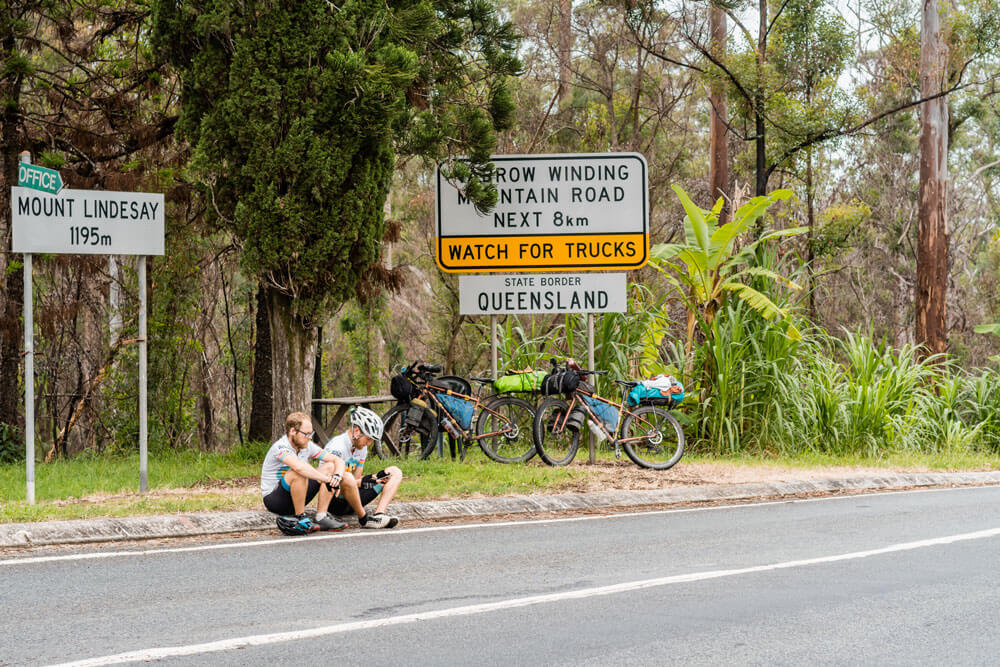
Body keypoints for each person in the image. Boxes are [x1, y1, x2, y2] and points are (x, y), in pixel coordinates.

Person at [261, 411, 364, 536]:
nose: (310, 437)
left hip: (297, 495)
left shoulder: (307, 445)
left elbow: (338, 460)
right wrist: (326, 480)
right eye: (306, 434)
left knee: (330, 466)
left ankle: (322, 516)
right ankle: (301, 518)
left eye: (311, 433)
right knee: (299, 471)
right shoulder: (281, 447)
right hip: (275, 499)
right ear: (293, 431)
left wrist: (336, 477)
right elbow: (299, 467)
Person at [322, 406, 402, 529]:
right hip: (335, 501)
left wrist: (375, 479)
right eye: (368, 439)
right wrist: (369, 479)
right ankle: (365, 520)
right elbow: (333, 483)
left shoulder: (361, 448)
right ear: (356, 431)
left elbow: (356, 480)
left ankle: (379, 515)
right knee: (346, 477)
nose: (369, 444)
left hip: (352, 497)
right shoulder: (337, 447)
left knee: (395, 472)